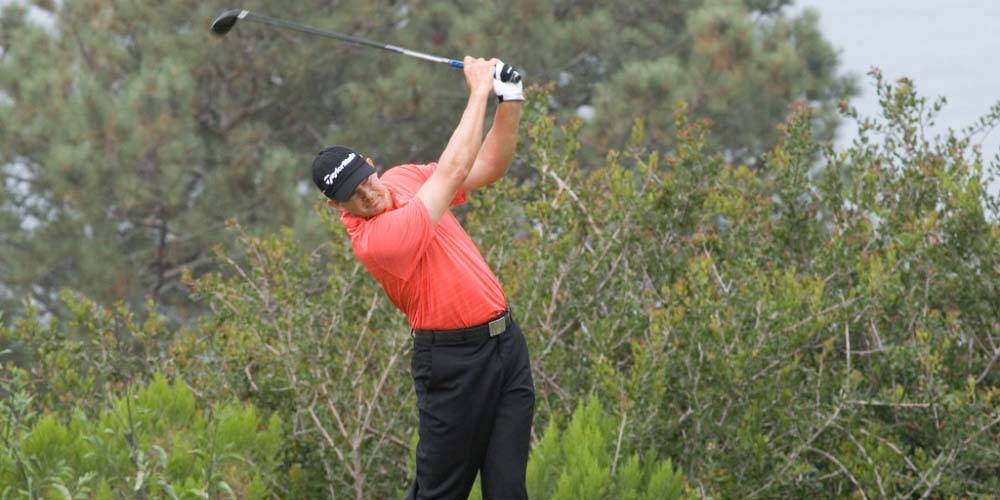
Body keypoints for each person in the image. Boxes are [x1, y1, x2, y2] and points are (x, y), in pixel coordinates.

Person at [310, 57, 534, 500]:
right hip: (452, 364)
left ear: (371, 165)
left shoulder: (404, 178)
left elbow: (488, 165)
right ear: (337, 207)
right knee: (440, 493)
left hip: (506, 344)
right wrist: (478, 91)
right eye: (352, 194)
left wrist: (509, 99)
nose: (368, 193)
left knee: (508, 488)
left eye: (365, 179)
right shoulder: (376, 241)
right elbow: (451, 172)